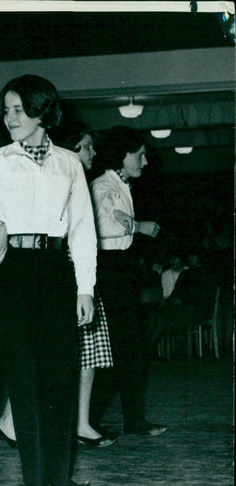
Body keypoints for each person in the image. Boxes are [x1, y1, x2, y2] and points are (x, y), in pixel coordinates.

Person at [0, 74, 102, 486]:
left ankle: (60, 478)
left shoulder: (70, 162)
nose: (9, 117)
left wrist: (85, 288)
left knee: (60, 376)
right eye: (6, 109)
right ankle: (34, 482)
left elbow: (83, 230)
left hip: (57, 270)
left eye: (19, 109)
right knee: (24, 378)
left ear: (42, 110)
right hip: (10, 270)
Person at [0, 121, 116, 449]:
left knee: (76, 356)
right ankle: (26, 423)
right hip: (55, 277)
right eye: (86, 146)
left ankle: (66, 424)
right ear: (71, 149)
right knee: (45, 356)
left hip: (74, 277)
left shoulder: (75, 178)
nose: (92, 153)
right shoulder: (53, 177)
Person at [88, 126, 167, 437]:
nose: (144, 162)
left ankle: (132, 421)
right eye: (140, 155)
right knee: (115, 349)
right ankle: (87, 422)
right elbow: (96, 223)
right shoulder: (101, 185)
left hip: (121, 269)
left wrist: (128, 224)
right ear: (122, 155)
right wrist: (136, 226)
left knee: (130, 348)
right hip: (107, 272)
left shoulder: (121, 186)